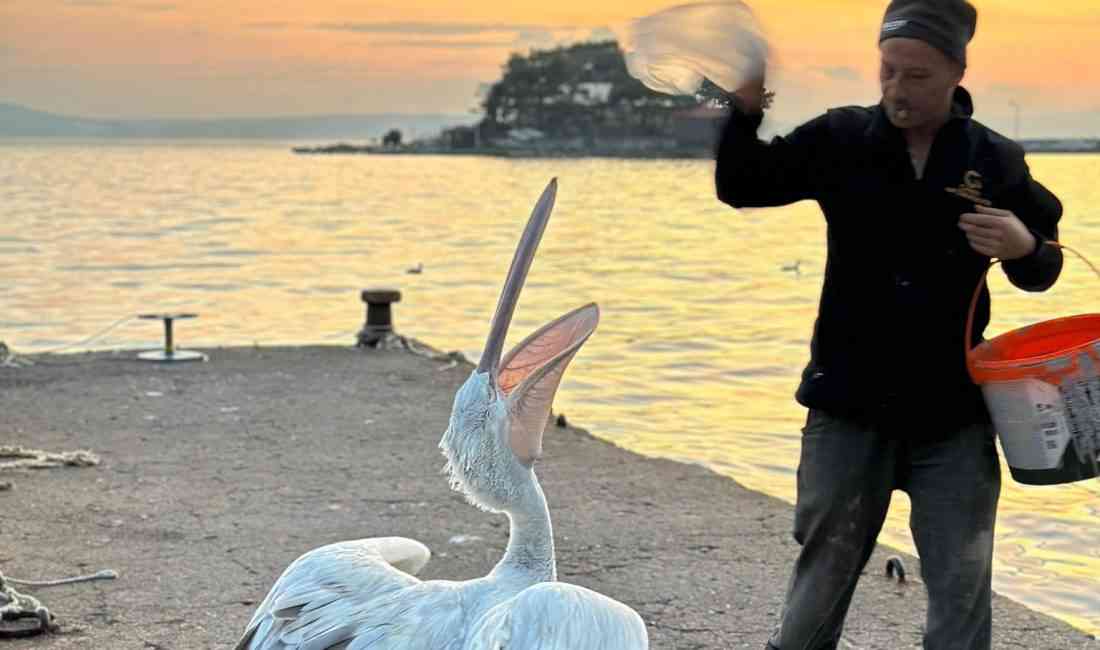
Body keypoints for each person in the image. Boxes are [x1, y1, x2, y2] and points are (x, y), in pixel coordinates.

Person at [713, 1, 1064, 649]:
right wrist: (744, 107)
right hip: (846, 404)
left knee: (962, 583)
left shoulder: (995, 158)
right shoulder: (840, 138)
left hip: (954, 417)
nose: (898, 90)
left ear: (958, 71)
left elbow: (1044, 266)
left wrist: (1024, 247)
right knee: (824, 574)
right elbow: (742, 185)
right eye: (888, 72)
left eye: (918, 76)